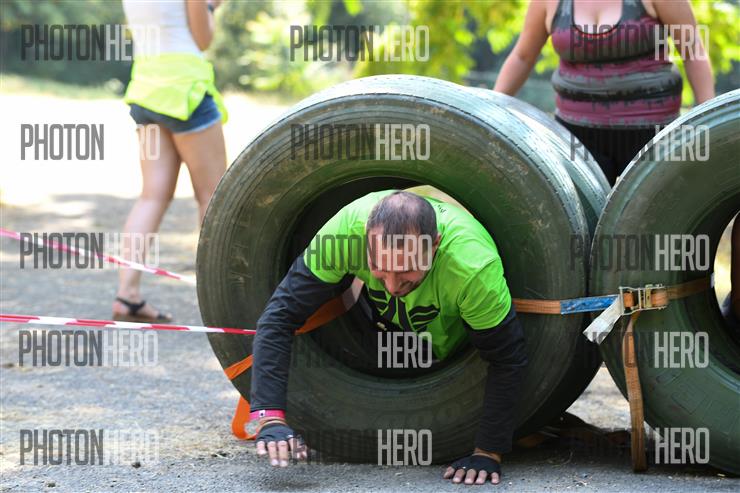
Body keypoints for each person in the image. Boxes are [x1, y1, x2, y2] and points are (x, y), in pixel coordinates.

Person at [250, 190, 528, 486]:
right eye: (380, 270)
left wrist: (488, 451)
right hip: (381, 331)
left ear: (434, 245)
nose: (393, 286)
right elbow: (279, 318)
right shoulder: (344, 234)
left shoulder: (472, 265)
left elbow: (507, 358)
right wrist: (270, 416)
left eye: (407, 271)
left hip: (459, 339)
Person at [494, 0, 715, 185]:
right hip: (576, 138)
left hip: (652, 136)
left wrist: (710, 123)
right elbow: (522, 57)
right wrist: (489, 110)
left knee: (654, 219)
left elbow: (693, 51)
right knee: (580, 220)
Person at [113, 0, 227, 322]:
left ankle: (127, 295)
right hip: (185, 91)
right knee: (214, 197)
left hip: (146, 91)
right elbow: (203, 39)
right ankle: (220, 299)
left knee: (151, 196)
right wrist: (210, 6)